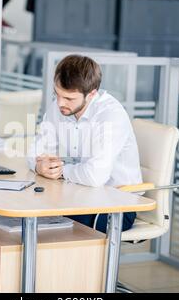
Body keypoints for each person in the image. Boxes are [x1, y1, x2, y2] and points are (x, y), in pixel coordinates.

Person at [28, 54, 142, 233]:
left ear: (92, 94)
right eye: (57, 94)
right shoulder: (60, 106)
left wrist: (60, 171)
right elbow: (35, 150)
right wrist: (39, 166)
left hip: (116, 205)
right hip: (80, 194)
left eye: (69, 98)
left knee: (45, 218)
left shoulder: (110, 116)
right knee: (31, 205)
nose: (60, 103)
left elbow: (95, 176)